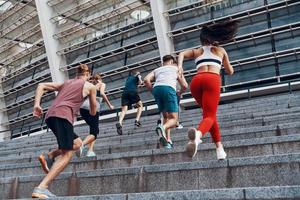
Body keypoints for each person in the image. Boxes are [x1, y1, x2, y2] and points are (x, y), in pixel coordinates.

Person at [31, 64, 97, 198]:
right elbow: (93, 110)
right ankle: (41, 188)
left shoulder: (66, 83)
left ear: (76, 74)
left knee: (78, 144)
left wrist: (37, 104)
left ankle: (49, 156)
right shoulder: (91, 87)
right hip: (63, 116)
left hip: (50, 116)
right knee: (67, 155)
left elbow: (41, 85)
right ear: (88, 74)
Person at [178, 20, 238, 159]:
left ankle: (219, 149)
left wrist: (180, 66)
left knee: (209, 116)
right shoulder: (221, 50)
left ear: (202, 39)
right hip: (212, 80)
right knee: (210, 116)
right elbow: (230, 71)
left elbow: (181, 53)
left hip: (196, 81)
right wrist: (225, 64)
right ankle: (198, 137)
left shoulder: (198, 51)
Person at [144, 55, 188, 148]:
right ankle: (162, 128)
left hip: (157, 89)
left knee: (166, 117)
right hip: (169, 89)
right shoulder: (176, 68)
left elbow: (146, 80)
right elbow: (184, 85)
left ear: (163, 62)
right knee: (174, 119)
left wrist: (153, 91)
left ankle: (167, 140)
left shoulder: (157, 70)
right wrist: (179, 93)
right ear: (172, 61)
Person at [78, 73, 114, 157]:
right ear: (100, 78)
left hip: (83, 108)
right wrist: (110, 105)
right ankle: (81, 145)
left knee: (93, 130)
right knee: (94, 132)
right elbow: (102, 93)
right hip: (93, 107)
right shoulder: (102, 84)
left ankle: (90, 151)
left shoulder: (89, 85)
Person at [116, 69, 143, 135]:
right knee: (140, 105)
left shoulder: (128, 78)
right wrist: (140, 77)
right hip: (132, 92)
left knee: (124, 110)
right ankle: (137, 120)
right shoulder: (137, 76)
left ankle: (119, 122)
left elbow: (133, 84)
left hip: (124, 93)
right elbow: (140, 82)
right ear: (136, 73)